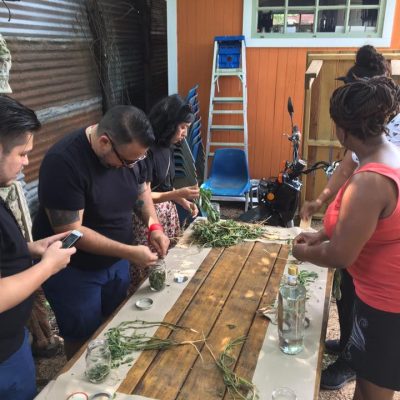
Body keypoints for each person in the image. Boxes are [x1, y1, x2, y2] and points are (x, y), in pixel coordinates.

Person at [32, 105, 170, 359]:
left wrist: (154, 227)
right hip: (75, 272)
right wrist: (129, 252)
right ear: (105, 142)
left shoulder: (132, 153)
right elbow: (71, 231)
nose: (132, 166)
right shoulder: (63, 162)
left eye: (138, 161)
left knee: (114, 323)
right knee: (82, 338)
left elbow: (141, 192)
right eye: (127, 161)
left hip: (116, 262)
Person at [299, 45, 400, 390]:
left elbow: (342, 255)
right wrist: (322, 235)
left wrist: (302, 253)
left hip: (388, 306)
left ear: (343, 130)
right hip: (381, 297)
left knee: (373, 392)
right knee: (368, 386)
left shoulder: (370, 181)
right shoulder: (386, 153)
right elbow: (366, 227)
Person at [0, 95, 75, 400]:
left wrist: (30, 249)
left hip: (13, 343)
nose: (27, 162)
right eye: (22, 153)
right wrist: (47, 267)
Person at [132, 94, 199, 247]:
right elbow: (143, 196)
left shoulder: (167, 146)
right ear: (169, 124)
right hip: (148, 222)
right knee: (152, 267)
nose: (185, 133)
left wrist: (183, 201)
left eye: (187, 128)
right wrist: (176, 194)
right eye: (182, 127)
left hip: (167, 215)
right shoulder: (146, 151)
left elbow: (164, 186)